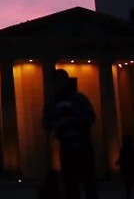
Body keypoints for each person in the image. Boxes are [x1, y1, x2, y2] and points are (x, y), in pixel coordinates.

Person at [42, 69, 97, 199]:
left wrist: (76, 121)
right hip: (67, 148)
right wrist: (59, 123)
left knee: (89, 185)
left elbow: (91, 118)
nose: (61, 83)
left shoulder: (79, 99)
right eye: (58, 80)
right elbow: (45, 124)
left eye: (63, 80)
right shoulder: (51, 103)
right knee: (71, 186)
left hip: (84, 147)